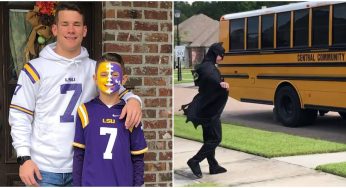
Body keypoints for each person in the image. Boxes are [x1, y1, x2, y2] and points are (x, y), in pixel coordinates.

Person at [9, 3, 142, 186]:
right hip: (44, 169)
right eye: (65, 24)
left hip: (84, 166)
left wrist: (134, 100)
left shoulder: (94, 70)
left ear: (84, 30)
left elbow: (120, 90)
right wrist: (24, 158)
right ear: (55, 29)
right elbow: (19, 115)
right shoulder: (35, 69)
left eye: (77, 24)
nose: (71, 30)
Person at [72, 53, 148, 186]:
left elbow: (138, 157)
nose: (109, 79)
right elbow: (79, 155)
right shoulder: (84, 111)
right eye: (103, 75)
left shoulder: (130, 112)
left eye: (114, 75)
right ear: (95, 79)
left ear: (124, 79)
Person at [181, 42, 229, 178]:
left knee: (209, 138)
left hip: (205, 108)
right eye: (221, 55)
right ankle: (194, 161)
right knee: (216, 139)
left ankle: (213, 165)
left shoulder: (203, 66)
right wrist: (221, 83)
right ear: (215, 54)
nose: (222, 58)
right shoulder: (208, 68)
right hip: (209, 111)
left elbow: (203, 82)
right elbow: (211, 79)